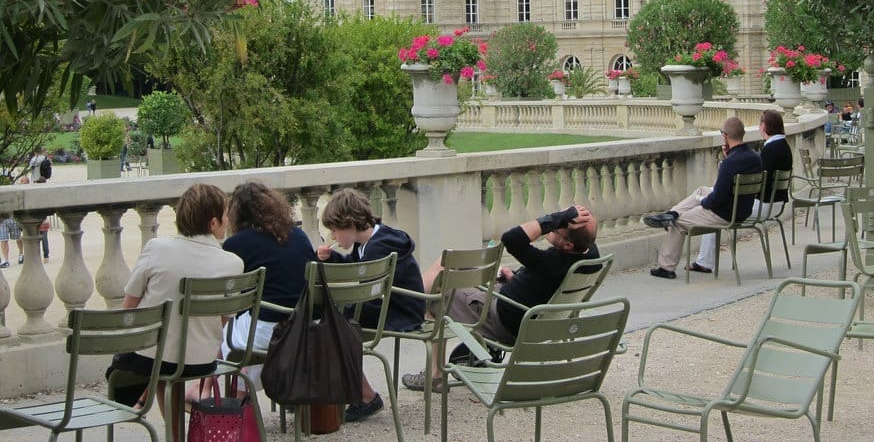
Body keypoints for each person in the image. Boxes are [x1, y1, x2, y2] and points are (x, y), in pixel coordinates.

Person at [401, 203, 599, 393]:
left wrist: (553, 219)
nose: (553, 225)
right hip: (527, 313)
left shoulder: (551, 263)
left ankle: (433, 373)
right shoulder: (590, 255)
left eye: (556, 227)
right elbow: (545, 286)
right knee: (451, 267)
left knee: (438, 285)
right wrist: (516, 280)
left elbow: (511, 239)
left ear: (568, 244)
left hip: (501, 321)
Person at [106, 182, 242, 434]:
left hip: (154, 359)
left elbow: (129, 308)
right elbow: (223, 318)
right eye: (225, 216)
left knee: (161, 360)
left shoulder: (156, 248)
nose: (228, 221)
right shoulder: (233, 263)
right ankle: (174, 431)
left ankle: (172, 431)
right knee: (170, 358)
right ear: (213, 223)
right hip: (203, 361)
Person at [316, 188, 426, 422]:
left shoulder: (377, 248)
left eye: (334, 230)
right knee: (332, 321)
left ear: (349, 224)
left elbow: (370, 294)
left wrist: (338, 307)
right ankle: (356, 392)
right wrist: (333, 258)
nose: (333, 236)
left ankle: (364, 396)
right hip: (401, 306)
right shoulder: (372, 241)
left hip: (398, 312)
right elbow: (357, 268)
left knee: (330, 324)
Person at [219, 180, 315, 394]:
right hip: (307, 324)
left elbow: (230, 298)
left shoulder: (236, 244)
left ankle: (235, 400)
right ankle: (242, 396)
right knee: (249, 331)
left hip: (269, 328)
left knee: (225, 335)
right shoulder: (299, 235)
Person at [644, 116, 762, 279]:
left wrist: (702, 203)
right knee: (701, 190)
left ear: (725, 136)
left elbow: (716, 199)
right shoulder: (756, 158)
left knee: (676, 222)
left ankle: (667, 267)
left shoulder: (729, 163)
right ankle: (673, 212)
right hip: (742, 211)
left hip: (723, 214)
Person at [690, 110, 794, 273]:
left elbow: (755, 181)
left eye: (760, 123)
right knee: (714, 196)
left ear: (764, 126)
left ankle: (705, 261)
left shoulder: (771, 149)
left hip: (763, 205)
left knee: (715, 207)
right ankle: (703, 258)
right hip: (776, 203)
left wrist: (730, 161)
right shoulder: (783, 146)